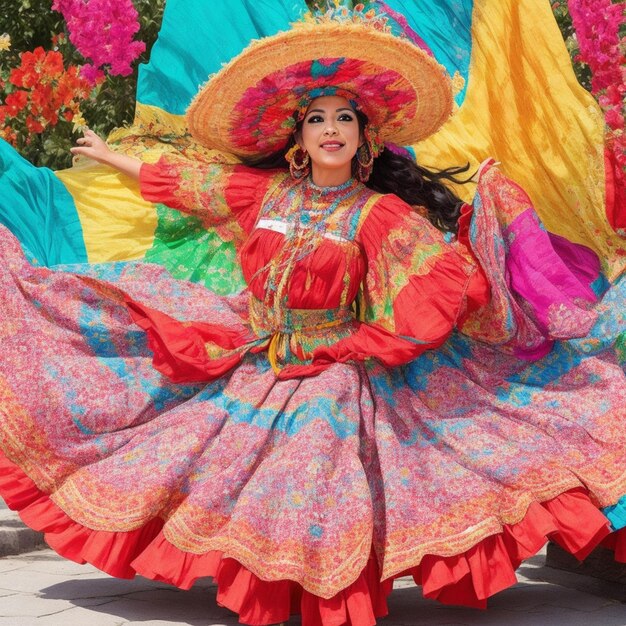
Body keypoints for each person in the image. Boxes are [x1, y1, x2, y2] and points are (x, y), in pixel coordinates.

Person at [1, 5, 625, 626]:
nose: (331, 129)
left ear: (364, 136)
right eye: (317, 119)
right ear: (299, 137)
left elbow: (442, 285)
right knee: (137, 379)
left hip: (335, 364)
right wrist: (109, 157)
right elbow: (184, 183)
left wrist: (486, 221)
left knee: (315, 459)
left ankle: (324, 595)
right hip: (260, 350)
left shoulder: (378, 215)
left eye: (344, 118)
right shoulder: (262, 193)